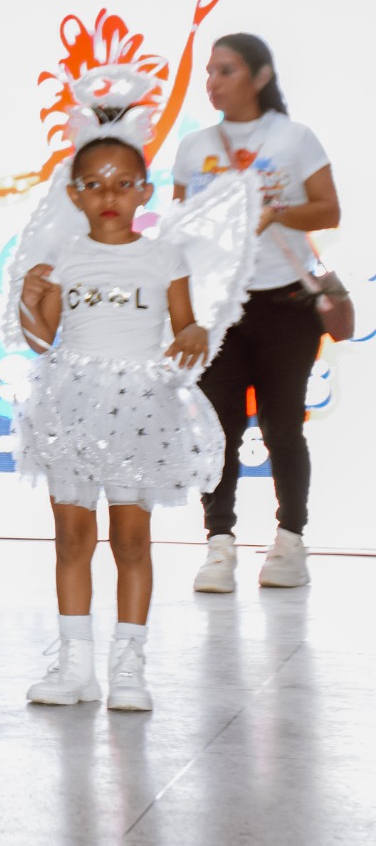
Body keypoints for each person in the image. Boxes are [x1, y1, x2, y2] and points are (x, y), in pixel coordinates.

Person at [11, 77, 248, 712]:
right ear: (74, 194)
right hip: (72, 402)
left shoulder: (165, 255)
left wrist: (195, 328)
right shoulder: (65, 256)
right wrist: (31, 302)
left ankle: (129, 665)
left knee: (132, 539)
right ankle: (74, 665)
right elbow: (44, 340)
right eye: (94, 184)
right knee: (70, 535)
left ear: (144, 191)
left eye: (123, 183)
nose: (109, 195)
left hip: (138, 408)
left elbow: (185, 324)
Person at [174, 34, 340, 593]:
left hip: (284, 304)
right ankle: (219, 546)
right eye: (210, 71)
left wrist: (274, 211)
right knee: (215, 429)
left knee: (282, 425)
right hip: (218, 307)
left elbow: (330, 209)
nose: (213, 81)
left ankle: (290, 541)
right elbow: (180, 225)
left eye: (226, 70)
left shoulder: (293, 137)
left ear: (260, 76)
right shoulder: (194, 146)